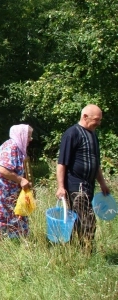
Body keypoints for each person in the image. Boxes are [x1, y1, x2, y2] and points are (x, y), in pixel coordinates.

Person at [56, 104, 109, 252]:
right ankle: (87, 252)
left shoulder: (93, 135)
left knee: (79, 220)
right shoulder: (72, 133)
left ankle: (74, 250)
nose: (98, 123)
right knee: (88, 220)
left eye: (100, 120)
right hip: (75, 185)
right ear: (85, 117)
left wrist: (103, 184)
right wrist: (61, 187)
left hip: (89, 185)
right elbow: (61, 163)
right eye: (96, 120)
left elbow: (95, 163)